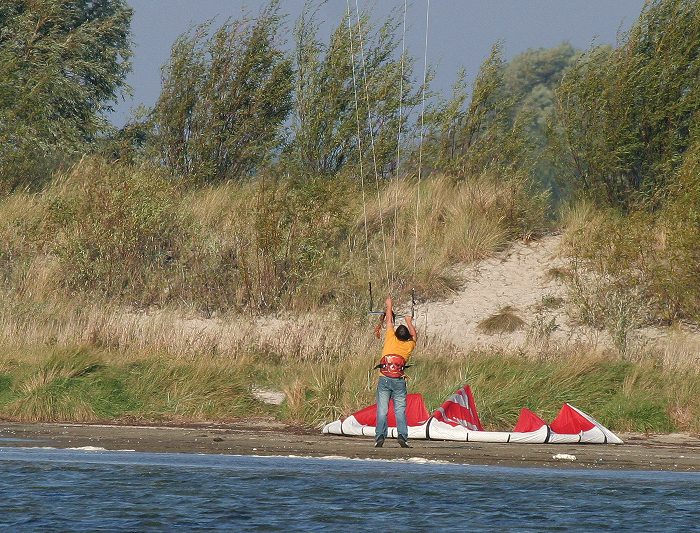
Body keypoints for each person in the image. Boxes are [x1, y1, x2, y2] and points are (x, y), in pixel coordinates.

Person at [374, 295, 417, 448]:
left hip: (384, 379)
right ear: (407, 337)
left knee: (382, 410)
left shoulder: (390, 338)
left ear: (396, 334)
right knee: (400, 410)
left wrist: (389, 305)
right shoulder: (409, 346)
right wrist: (409, 321)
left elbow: (389, 321)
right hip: (399, 381)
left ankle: (379, 437)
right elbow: (414, 335)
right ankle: (402, 437)